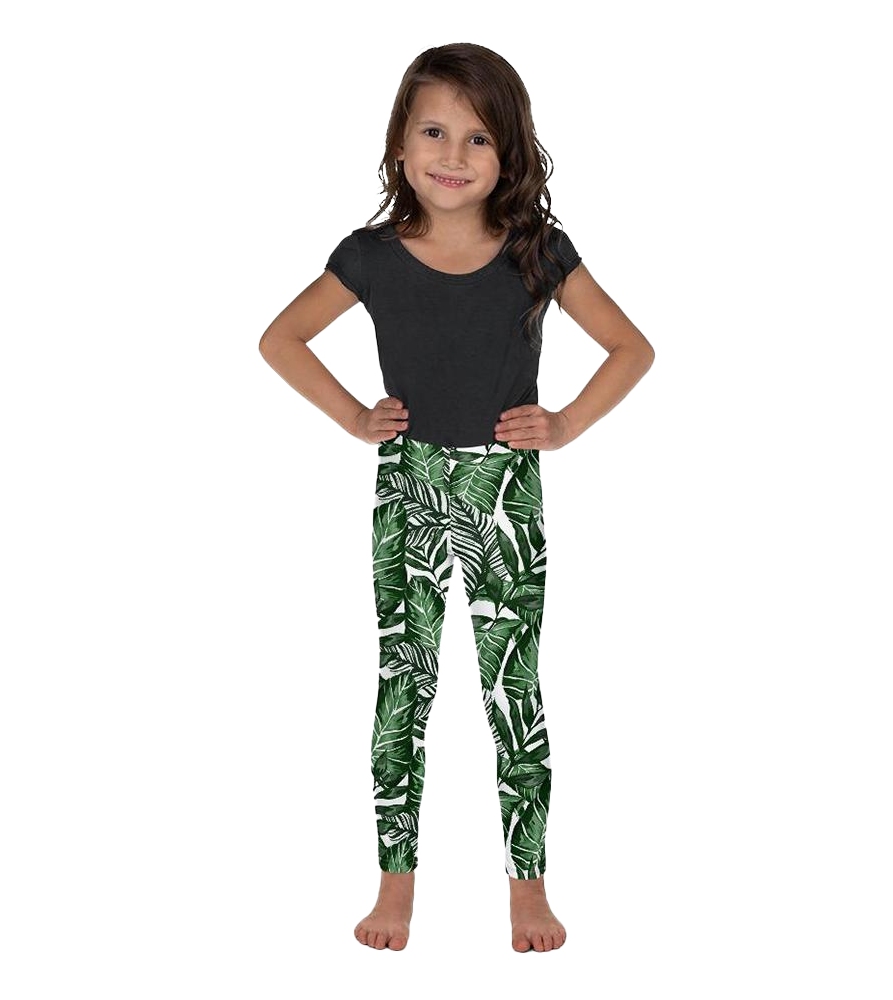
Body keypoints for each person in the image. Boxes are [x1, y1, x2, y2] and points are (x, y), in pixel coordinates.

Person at [258, 42, 654, 953]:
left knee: (512, 686)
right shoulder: (369, 257)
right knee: (405, 683)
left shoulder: (537, 252)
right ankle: (394, 884)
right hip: (408, 486)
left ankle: (529, 886)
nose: (453, 155)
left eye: (479, 138)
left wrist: (565, 423)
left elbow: (632, 348)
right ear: (399, 144)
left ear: (509, 154)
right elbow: (281, 338)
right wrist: (355, 417)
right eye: (433, 132)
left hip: (504, 491)